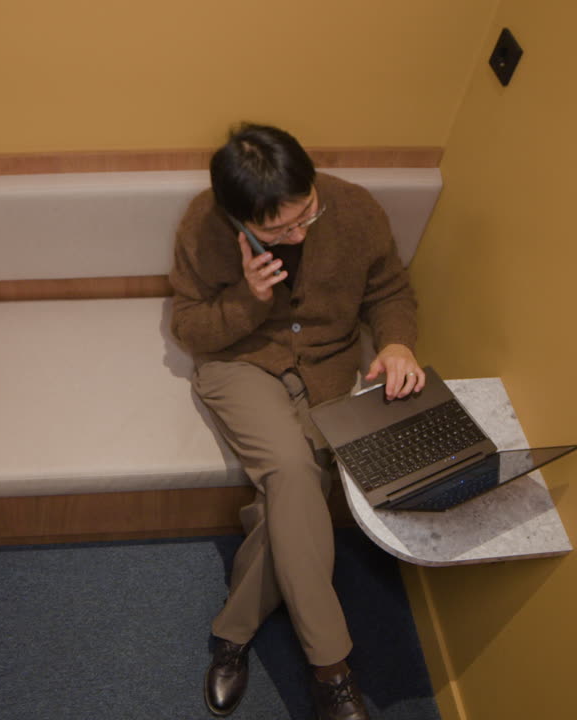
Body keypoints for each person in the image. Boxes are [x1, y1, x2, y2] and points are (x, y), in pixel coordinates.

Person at [169, 123, 424, 720]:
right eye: (276, 230)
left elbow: (391, 293)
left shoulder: (355, 208)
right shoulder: (201, 226)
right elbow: (189, 331)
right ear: (239, 220)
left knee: (297, 490)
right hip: (241, 364)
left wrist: (397, 346)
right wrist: (245, 300)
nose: (297, 233)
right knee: (290, 466)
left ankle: (233, 634)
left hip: (331, 369)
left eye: (304, 213)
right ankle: (332, 669)